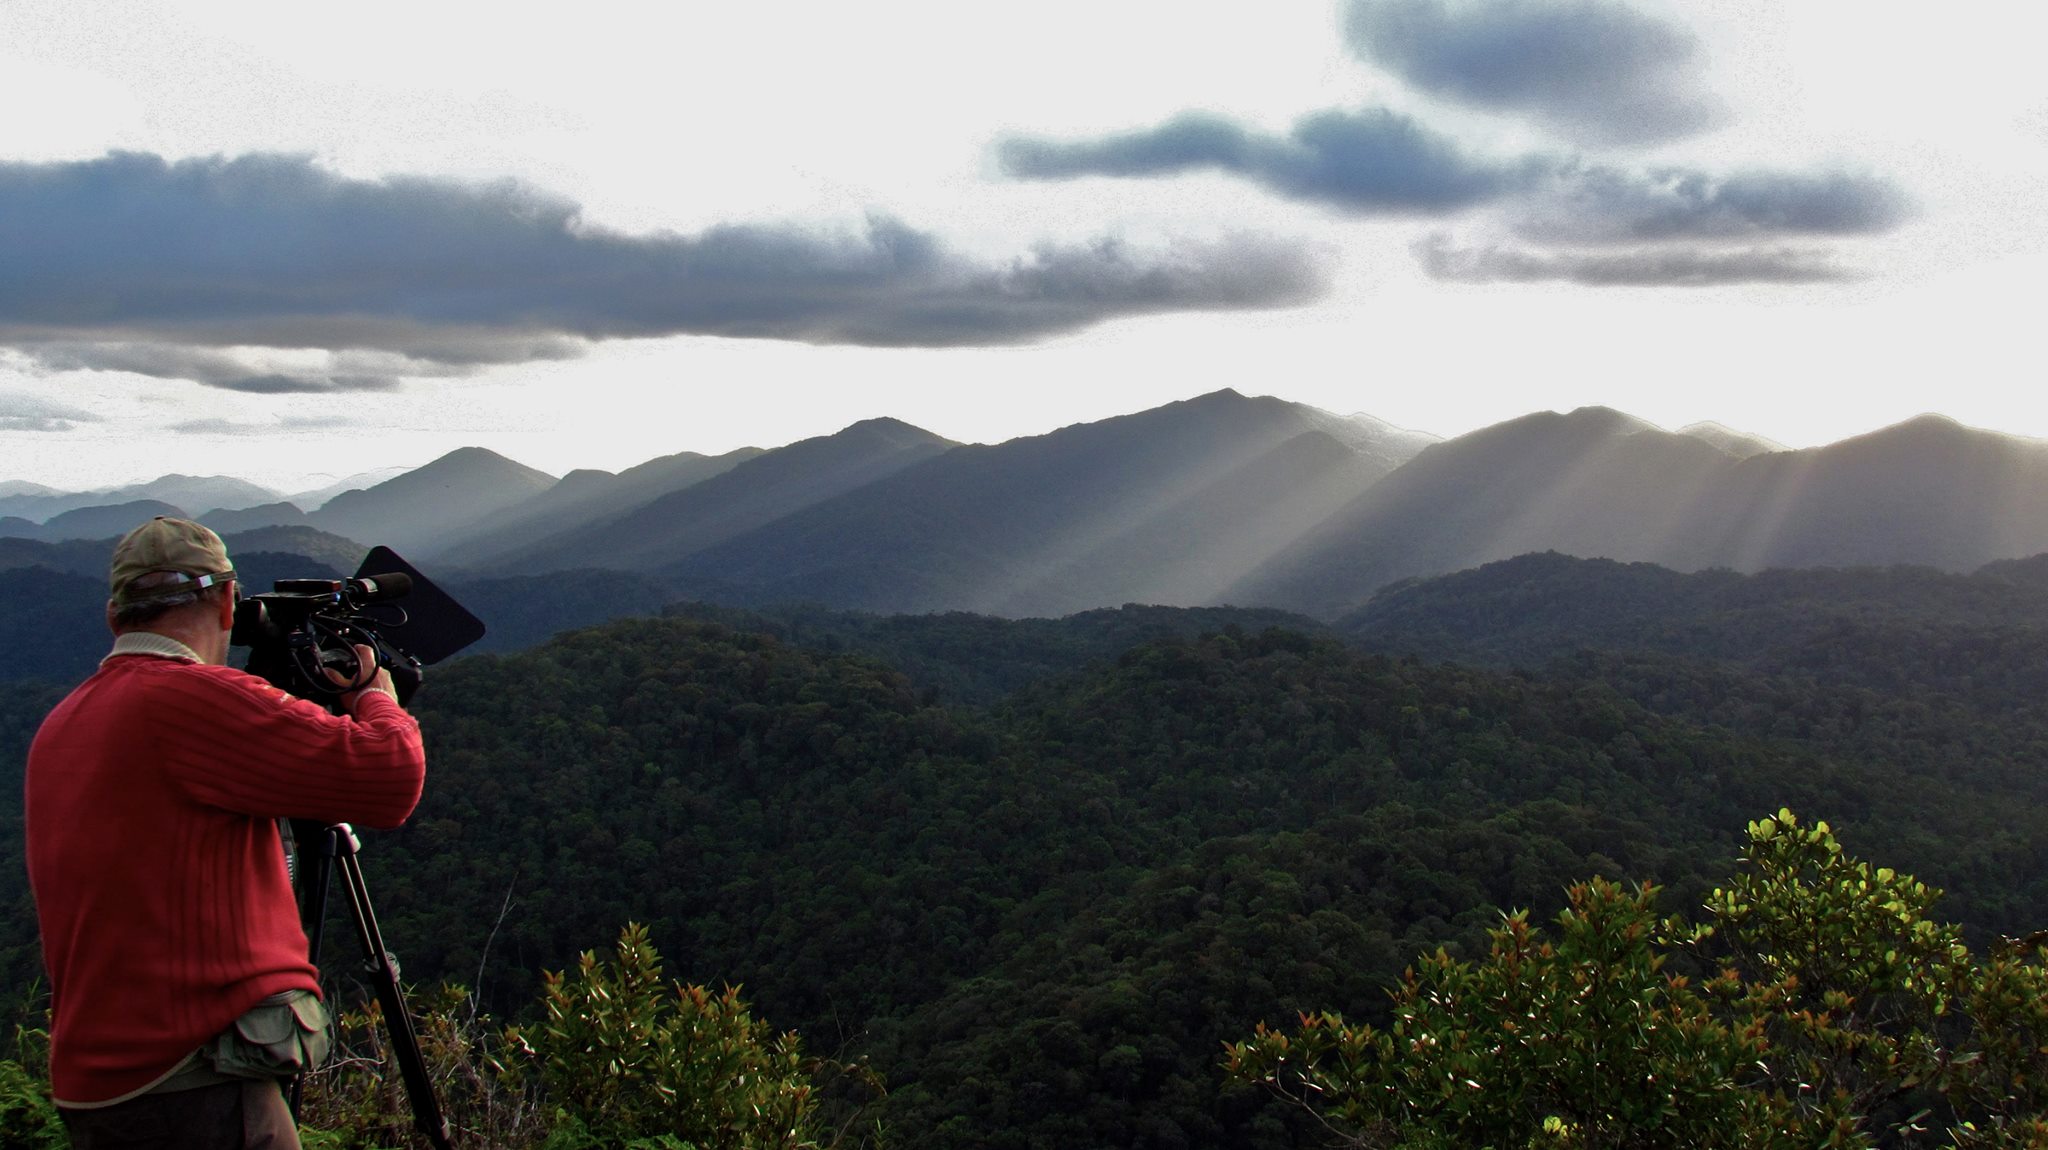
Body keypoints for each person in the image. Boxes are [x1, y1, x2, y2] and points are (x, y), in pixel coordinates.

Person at [25, 517, 427, 1148]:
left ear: (113, 615)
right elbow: (389, 778)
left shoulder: (65, 720)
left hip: (101, 1078)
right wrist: (376, 694)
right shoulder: (191, 700)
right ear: (226, 602)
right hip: (191, 1073)